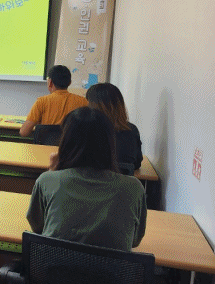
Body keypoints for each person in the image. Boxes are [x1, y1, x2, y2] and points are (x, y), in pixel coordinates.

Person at [27, 107, 146, 251]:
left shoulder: (47, 181)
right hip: (110, 266)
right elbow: (134, 240)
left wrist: (53, 172)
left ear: (65, 140)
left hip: (53, 264)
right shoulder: (134, 188)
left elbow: (38, 227)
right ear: (110, 142)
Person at [86, 82, 144, 171]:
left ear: (93, 105)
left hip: (90, 179)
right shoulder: (132, 129)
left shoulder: (87, 128)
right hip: (123, 179)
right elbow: (137, 163)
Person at [19, 64, 88, 137]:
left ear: (50, 82)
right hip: (71, 144)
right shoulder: (83, 102)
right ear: (70, 82)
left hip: (45, 144)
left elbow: (24, 132)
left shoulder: (41, 102)